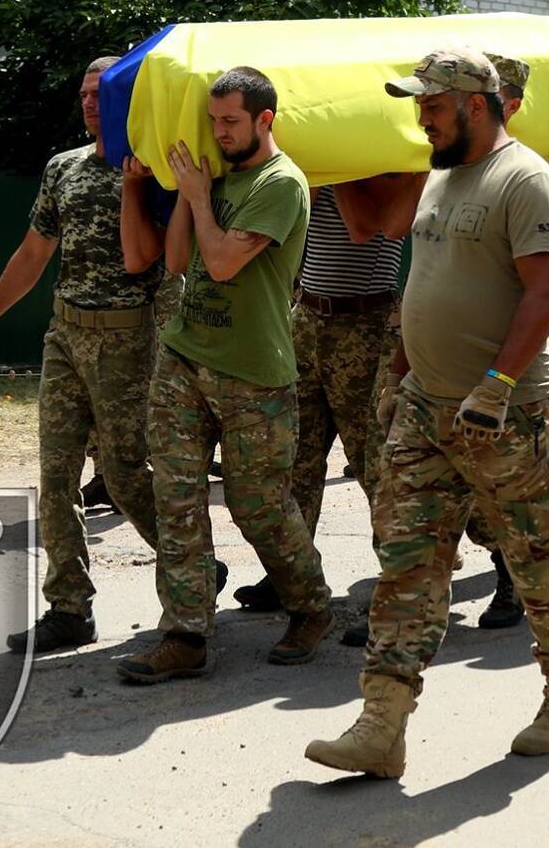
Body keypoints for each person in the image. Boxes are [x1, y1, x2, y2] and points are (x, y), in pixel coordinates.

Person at [306, 48, 549, 780]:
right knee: (407, 561)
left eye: (431, 106)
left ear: (474, 103)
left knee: (534, 559)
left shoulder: (524, 179)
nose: (421, 118)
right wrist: (403, 368)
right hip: (426, 406)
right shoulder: (439, 175)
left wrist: (496, 383)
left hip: (507, 412)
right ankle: (382, 722)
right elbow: (424, 279)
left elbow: (544, 295)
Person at [115, 67, 331, 683]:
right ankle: (186, 634)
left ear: (265, 119)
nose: (221, 132)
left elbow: (225, 261)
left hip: (254, 374)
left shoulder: (282, 183)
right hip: (185, 357)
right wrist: (188, 194)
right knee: (176, 497)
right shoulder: (216, 179)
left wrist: (199, 195)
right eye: (214, 121)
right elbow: (180, 262)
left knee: (258, 505)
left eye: (231, 121)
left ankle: (310, 605)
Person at [0, 55, 169, 653]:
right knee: (55, 477)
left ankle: (191, 568)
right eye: (82, 92)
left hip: (127, 341)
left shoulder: (153, 168)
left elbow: (164, 259)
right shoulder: (64, 168)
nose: (87, 102)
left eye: (98, 92)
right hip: (65, 337)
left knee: (129, 478)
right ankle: (69, 608)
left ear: (125, 100)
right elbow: (33, 254)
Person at [231, 182, 403, 615]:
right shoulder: (311, 159)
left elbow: (363, 227)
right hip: (308, 317)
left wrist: (341, 166)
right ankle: (290, 574)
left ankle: (402, 584)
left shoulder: (389, 163)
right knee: (295, 458)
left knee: (373, 463)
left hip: (365, 322)